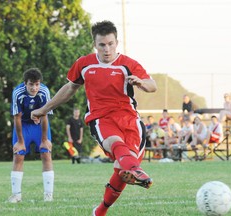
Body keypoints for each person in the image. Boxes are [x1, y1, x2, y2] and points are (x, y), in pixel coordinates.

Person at [30, 20, 157, 216]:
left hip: (129, 119)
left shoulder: (128, 64)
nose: (107, 49)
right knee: (114, 143)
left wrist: (141, 82)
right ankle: (136, 169)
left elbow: (152, 85)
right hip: (101, 118)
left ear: (117, 42)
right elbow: (69, 88)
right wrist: (44, 109)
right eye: (102, 45)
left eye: (111, 44)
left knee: (121, 170)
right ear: (94, 44)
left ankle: (100, 211)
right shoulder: (84, 64)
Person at [9, 68, 54, 203]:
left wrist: (45, 139)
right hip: (23, 125)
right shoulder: (17, 92)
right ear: (25, 83)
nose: (34, 88)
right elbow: (17, 117)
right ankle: (16, 195)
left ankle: (48, 195)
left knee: (46, 154)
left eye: (37, 84)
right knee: (19, 155)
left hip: (39, 125)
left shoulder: (44, 91)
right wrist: (20, 141)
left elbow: (45, 116)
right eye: (31, 84)